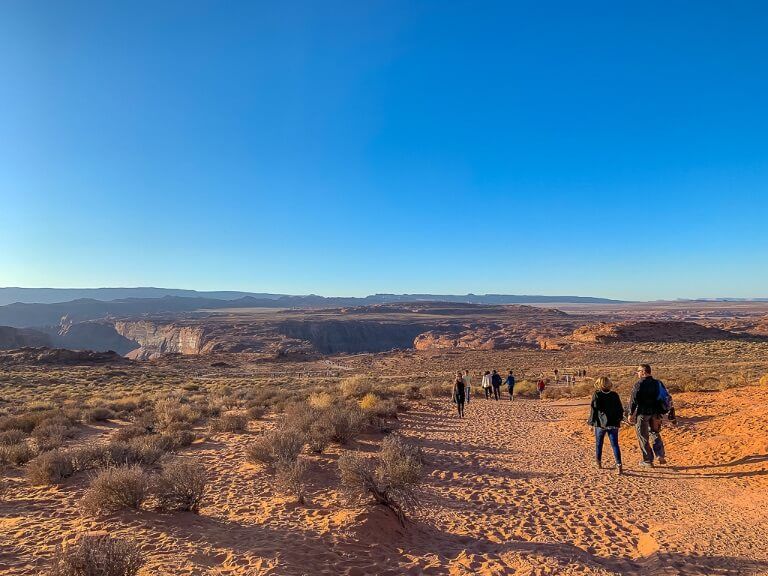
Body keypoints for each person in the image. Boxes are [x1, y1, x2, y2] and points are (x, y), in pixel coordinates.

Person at [629, 364, 672, 467]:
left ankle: (648, 460)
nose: (637, 373)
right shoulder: (658, 383)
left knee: (643, 436)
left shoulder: (639, 384)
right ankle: (660, 454)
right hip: (656, 413)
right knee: (654, 432)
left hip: (643, 413)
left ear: (643, 372)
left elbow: (633, 400)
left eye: (638, 371)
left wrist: (631, 413)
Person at [588, 377, 624, 474]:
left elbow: (594, 410)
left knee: (599, 444)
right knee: (615, 444)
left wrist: (591, 423)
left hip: (601, 424)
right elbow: (620, 409)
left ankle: (598, 462)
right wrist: (619, 420)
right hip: (613, 424)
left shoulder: (597, 394)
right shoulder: (614, 395)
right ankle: (619, 465)